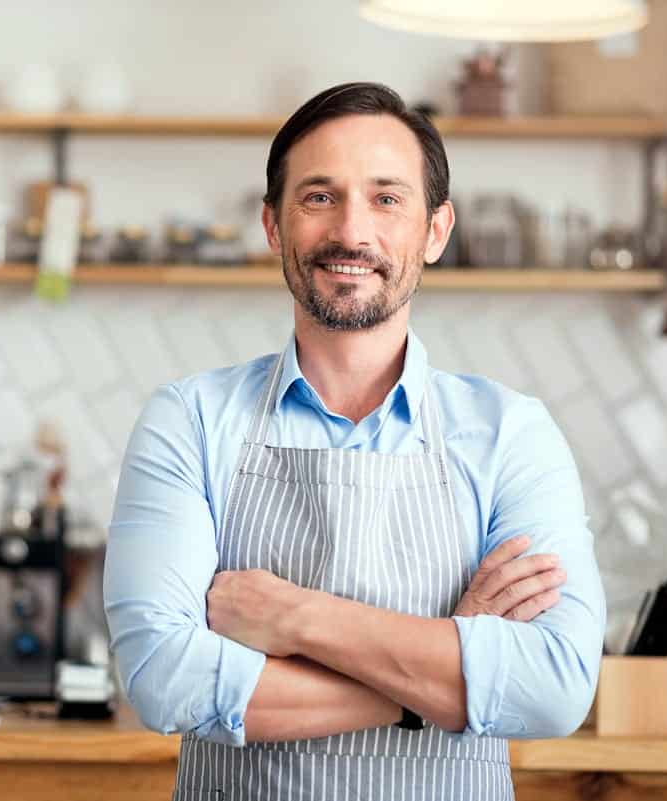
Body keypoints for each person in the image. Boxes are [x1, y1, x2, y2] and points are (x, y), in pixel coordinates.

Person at [103, 82, 606, 801]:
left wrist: (293, 618)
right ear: (273, 225)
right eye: (318, 197)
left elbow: (555, 686)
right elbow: (162, 679)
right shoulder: (190, 420)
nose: (352, 232)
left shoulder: (509, 434)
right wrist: (433, 675)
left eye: (386, 198)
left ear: (436, 231)